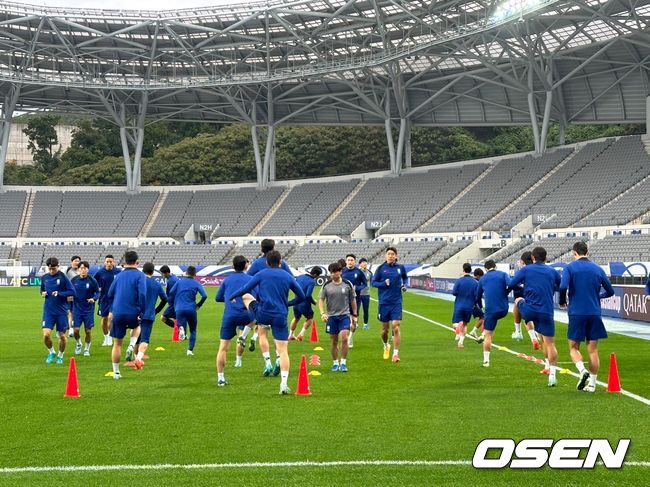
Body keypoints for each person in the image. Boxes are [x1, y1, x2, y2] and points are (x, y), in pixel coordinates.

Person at [231, 250, 306, 395]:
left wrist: (233, 297)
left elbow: (245, 289)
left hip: (262, 314)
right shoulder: (287, 276)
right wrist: (288, 303)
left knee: (248, 298)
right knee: (283, 350)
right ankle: (283, 384)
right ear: (280, 262)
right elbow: (301, 296)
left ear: (266, 263)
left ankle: (264, 358)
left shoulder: (261, 274)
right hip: (280, 315)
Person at [559, 241, 615, 393]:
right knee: (593, 350)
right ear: (587, 252)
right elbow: (610, 291)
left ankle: (582, 370)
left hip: (577, 312)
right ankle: (592, 385)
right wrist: (598, 296)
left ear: (574, 252)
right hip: (594, 312)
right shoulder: (597, 268)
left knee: (573, 347)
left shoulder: (569, 267)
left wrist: (562, 301)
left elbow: (563, 286)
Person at [509, 247, 561, 387]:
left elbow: (512, 284)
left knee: (518, 301)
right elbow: (561, 286)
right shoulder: (552, 271)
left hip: (530, 310)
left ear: (533, 257)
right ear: (546, 257)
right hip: (546, 311)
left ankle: (518, 331)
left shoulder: (526, 270)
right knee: (550, 343)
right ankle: (552, 375)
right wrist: (561, 299)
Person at [243, 239, 293, 352]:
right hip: (280, 302)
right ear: (274, 247)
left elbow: (248, 279)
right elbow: (291, 278)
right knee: (279, 333)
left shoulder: (256, 263)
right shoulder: (282, 263)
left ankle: (267, 361)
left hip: (263, 302)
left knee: (262, 332)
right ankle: (279, 357)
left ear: (261, 248)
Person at [215, 256, 256, 386]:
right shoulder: (250, 279)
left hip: (229, 315)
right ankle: (243, 336)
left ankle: (220, 378)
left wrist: (229, 299)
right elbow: (256, 298)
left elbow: (217, 298)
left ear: (233, 266)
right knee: (257, 318)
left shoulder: (227, 280)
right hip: (246, 314)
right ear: (245, 265)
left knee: (223, 348)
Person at [107, 250, 146, 380]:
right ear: (137, 262)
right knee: (137, 327)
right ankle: (131, 345)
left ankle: (116, 372)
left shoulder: (118, 276)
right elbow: (142, 294)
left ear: (124, 263)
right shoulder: (140, 276)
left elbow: (110, 293)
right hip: (133, 311)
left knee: (117, 344)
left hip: (118, 312)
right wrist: (142, 310)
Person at [372, 247, 408, 363]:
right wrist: (383, 283)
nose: (391, 256)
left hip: (396, 301)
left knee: (396, 326)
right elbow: (373, 282)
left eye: (393, 254)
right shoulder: (381, 269)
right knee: (384, 330)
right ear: (385, 255)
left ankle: (395, 354)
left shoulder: (400, 268)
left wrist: (404, 285)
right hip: (384, 302)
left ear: (396, 256)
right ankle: (386, 344)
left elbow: (405, 278)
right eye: (389, 254)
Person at [319, 262, 357, 372]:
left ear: (340, 272)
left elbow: (352, 300)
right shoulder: (326, 285)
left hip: (344, 315)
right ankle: (335, 362)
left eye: (335, 272)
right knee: (333, 341)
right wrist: (322, 313)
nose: (333, 274)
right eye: (331, 272)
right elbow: (321, 300)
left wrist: (354, 315)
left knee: (344, 337)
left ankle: (343, 362)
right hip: (331, 317)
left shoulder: (347, 284)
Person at [475, 260, 511, 367]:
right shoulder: (503, 274)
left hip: (490, 311)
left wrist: (481, 307)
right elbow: (511, 284)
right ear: (495, 266)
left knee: (488, 335)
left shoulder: (483, 279)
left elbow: (477, 296)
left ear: (485, 269)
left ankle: (486, 361)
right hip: (503, 309)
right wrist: (506, 293)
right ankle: (521, 331)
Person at [40, 257, 75, 364]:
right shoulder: (44, 277)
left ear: (58, 266)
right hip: (48, 311)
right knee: (46, 335)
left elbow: (72, 292)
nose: (51, 271)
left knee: (62, 336)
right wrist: (42, 293)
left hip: (61, 312)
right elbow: (42, 289)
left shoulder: (63, 277)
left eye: (53, 269)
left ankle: (60, 355)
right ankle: (51, 352)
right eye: (50, 269)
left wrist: (59, 294)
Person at [134, 262, 168, 369]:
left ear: (142, 270)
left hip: (136, 314)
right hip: (149, 315)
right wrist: (156, 310)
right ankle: (139, 359)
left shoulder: (138, 282)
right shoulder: (156, 284)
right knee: (145, 339)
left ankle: (135, 357)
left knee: (136, 338)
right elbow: (165, 299)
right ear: (153, 272)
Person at [168, 266, 207, 356]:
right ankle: (190, 350)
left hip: (179, 308)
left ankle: (181, 328)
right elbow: (204, 295)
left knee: (180, 323)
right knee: (193, 330)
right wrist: (199, 305)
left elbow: (171, 293)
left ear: (186, 273)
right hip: (191, 308)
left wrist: (176, 301)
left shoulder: (179, 282)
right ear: (195, 274)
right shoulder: (196, 283)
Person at [511, 251, 540, 350]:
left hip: (525, 297)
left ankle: (518, 332)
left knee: (520, 308)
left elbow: (512, 284)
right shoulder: (540, 269)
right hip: (540, 300)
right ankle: (536, 334)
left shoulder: (523, 271)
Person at [70, 261, 100, 357]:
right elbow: (69, 291)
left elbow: (98, 293)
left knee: (88, 331)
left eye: (85, 268)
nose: (83, 270)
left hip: (88, 310)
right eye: (81, 268)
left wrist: (93, 299)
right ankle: (79, 343)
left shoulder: (92, 280)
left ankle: (87, 349)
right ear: (78, 269)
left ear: (88, 269)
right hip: (77, 310)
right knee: (76, 330)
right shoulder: (74, 280)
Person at [93, 255, 121, 347]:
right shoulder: (100, 272)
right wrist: (97, 289)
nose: (109, 263)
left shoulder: (118, 272)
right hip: (103, 299)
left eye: (110, 261)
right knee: (104, 319)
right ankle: (106, 337)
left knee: (110, 317)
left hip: (114, 299)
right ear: (104, 262)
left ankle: (110, 335)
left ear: (113, 262)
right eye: (107, 261)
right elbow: (94, 282)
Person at [289, 267, 322, 341]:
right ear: (316, 274)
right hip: (304, 304)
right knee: (310, 318)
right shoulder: (311, 281)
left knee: (296, 318)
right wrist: (314, 302)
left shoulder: (300, 277)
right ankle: (301, 334)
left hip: (296, 302)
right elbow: (308, 295)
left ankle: (291, 335)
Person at [341, 254, 367, 348]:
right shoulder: (342, 271)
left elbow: (365, 284)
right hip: (343, 299)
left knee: (354, 321)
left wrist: (357, 288)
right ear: (346, 261)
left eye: (352, 260)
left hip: (355, 299)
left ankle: (350, 337)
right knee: (345, 319)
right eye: (348, 260)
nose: (350, 261)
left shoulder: (359, 272)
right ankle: (346, 337)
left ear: (355, 261)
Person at [452, 263, 479, 349]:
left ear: (463, 270)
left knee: (455, 324)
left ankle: (458, 328)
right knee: (465, 324)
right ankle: (460, 342)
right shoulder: (475, 282)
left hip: (459, 305)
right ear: (471, 271)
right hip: (469, 306)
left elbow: (454, 293)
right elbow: (477, 295)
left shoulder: (459, 281)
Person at [159, 265, 179, 332]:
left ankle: (179, 331)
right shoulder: (173, 278)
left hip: (173, 304)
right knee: (176, 319)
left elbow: (173, 293)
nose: (162, 275)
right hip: (175, 303)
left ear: (166, 273)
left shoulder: (171, 281)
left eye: (162, 273)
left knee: (163, 318)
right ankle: (182, 333)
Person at [66, 255, 81, 337]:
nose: (77, 262)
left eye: (78, 261)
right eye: (75, 261)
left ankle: (75, 328)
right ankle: (70, 329)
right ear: (72, 262)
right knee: (71, 312)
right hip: (71, 296)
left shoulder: (81, 270)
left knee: (77, 313)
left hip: (80, 296)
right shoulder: (69, 272)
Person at [468, 268, 485, 341]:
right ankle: (474, 331)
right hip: (473, 303)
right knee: (483, 317)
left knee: (481, 316)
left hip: (467, 303)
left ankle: (473, 331)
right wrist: (480, 306)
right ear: (478, 276)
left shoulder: (470, 281)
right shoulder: (477, 283)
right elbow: (478, 295)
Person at [358, 258, 373, 330]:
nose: (365, 263)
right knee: (356, 309)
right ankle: (356, 323)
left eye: (365, 262)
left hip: (366, 294)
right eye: (363, 262)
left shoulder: (369, 273)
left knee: (366, 309)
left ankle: (365, 324)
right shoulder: (357, 272)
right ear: (360, 264)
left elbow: (371, 282)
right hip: (358, 294)